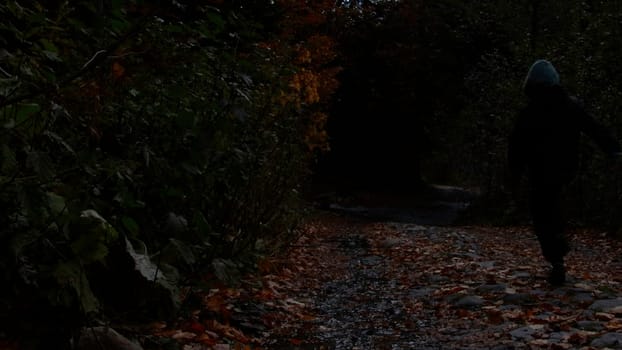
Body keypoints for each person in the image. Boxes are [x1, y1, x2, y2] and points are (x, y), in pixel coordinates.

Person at [508, 59, 620, 285]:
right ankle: (558, 243)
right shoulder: (571, 106)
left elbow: (516, 149)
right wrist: (614, 150)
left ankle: (556, 255)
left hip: (539, 171)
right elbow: (595, 128)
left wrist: (512, 177)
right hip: (566, 169)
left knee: (541, 212)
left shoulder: (529, 112)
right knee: (553, 203)